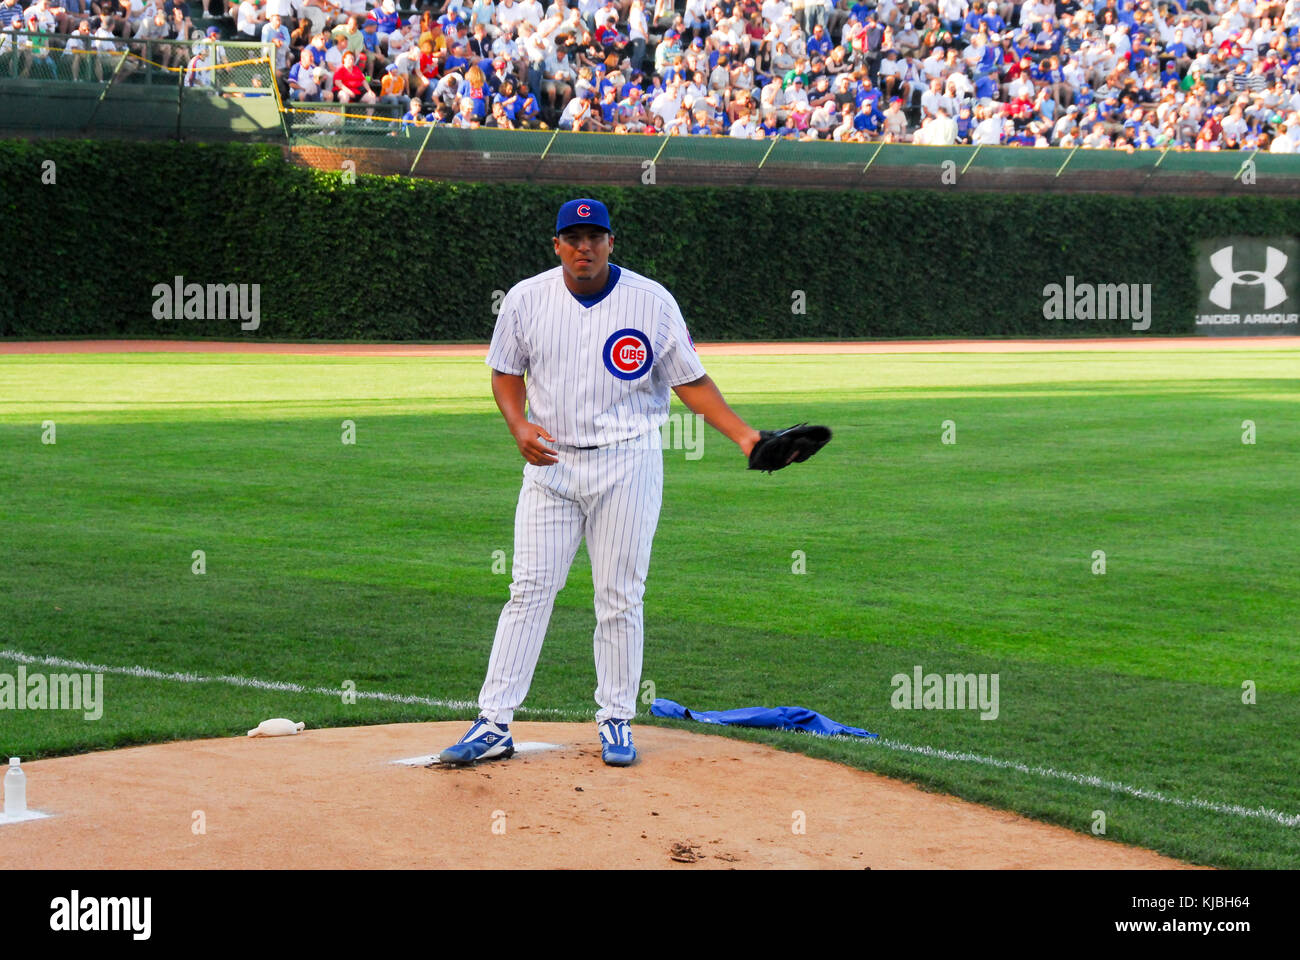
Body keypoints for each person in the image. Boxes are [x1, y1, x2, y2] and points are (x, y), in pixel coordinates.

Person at [439, 198, 766, 768]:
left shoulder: (651, 301)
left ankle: (616, 718)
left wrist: (744, 436)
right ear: (557, 244)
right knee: (529, 590)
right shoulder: (525, 298)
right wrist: (517, 424)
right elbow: (504, 370)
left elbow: (691, 379)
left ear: (612, 242)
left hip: (628, 463)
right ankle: (493, 722)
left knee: (619, 596)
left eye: (594, 236)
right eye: (572, 237)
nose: (583, 246)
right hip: (551, 465)